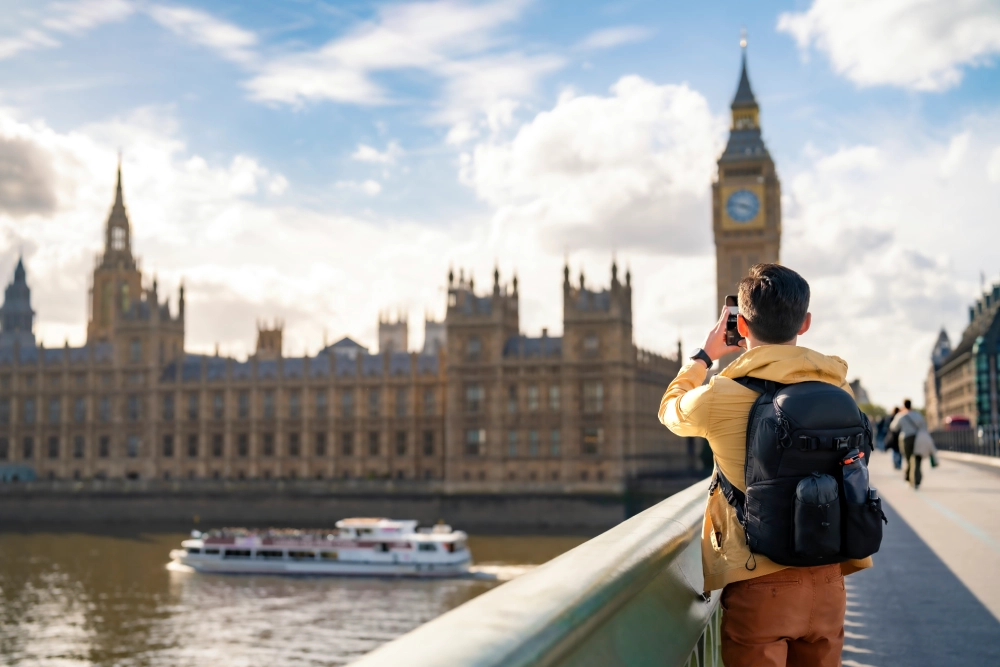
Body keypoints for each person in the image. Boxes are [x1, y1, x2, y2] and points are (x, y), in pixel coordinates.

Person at [658, 264, 872, 667]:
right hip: (829, 576)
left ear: (739, 322)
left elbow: (669, 410)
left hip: (757, 577)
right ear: (805, 323)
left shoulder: (720, 394)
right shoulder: (837, 386)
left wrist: (705, 355)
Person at [890, 399, 927, 489]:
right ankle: (916, 480)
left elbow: (893, 427)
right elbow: (924, 426)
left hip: (905, 438)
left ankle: (908, 478)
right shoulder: (918, 415)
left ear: (904, 405)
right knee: (917, 459)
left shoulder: (901, 415)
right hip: (918, 438)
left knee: (908, 459)